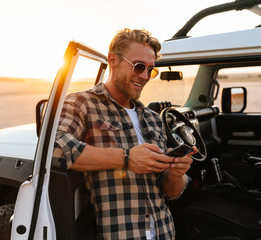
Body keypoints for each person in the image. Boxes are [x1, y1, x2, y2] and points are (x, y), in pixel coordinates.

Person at [52, 28, 197, 240]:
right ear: (113, 60)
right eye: (139, 67)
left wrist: (176, 174)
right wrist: (127, 158)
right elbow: (56, 148)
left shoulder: (153, 119)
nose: (145, 76)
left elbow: (169, 192)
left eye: (151, 70)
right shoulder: (81, 104)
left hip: (164, 232)